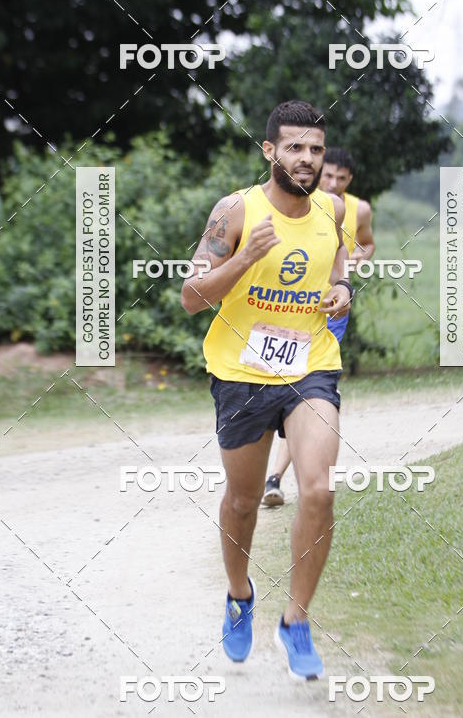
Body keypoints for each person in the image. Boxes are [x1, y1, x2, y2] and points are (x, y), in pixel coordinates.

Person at [181, 101, 354, 680]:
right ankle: (238, 594)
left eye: (315, 149)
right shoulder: (234, 211)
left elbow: (338, 268)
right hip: (240, 373)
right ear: (269, 151)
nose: (306, 159)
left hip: (310, 367)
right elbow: (192, 295)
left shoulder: (331, 210)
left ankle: (296, 621)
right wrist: (245, 258)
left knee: (320, 489)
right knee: (241, 501)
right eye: (295, 148)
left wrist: (343, 292)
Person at [263, 146, 375, 507]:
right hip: (284, 310)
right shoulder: (295, 202)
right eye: (329, 176)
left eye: (342, 179)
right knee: (285, 388)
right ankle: (267, 472)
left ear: (350, 180)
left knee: (302, 391)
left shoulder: (356, 209)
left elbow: (364, 245)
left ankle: (275, 477)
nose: (334, 183)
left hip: (329, 312)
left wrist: (351, 268)